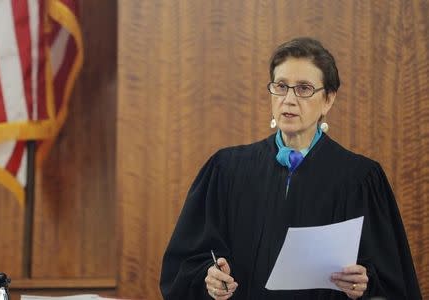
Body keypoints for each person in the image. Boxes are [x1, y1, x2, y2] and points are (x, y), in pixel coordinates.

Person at [159, 37, 422, 299]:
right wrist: (210, 279)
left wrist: (364, 285)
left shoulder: (360, 179)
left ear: (328, 100)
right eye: (281, 86)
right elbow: (185, 265)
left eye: (304, 88)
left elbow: (391, 282)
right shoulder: (227, 170)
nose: (289, 99)